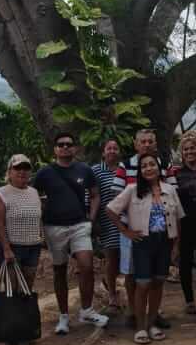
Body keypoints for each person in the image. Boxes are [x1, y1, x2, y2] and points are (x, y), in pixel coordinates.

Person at [33, 132, 108, 334]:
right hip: (53, 227)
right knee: (59, 270)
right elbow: (33, 196)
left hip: (79, 225)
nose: (65, 147)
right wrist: (40, 224)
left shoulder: (84, 170)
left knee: (86, 265)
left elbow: (95, 195)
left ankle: (87, 310)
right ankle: (64, 316)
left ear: (75, 148)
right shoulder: (44, 173)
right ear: (55, 149)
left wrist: (91, 219)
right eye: (61, 144)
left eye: (69, 144)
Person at [106, 155, 183, 343]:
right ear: (140, 171)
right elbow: (111, 209)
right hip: (143, 243)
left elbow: (178, 218)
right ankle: (140, 327)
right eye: (144, 166)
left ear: (159, 168)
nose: (149, 168)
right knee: (142, 284)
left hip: (164, 242)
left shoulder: (170, 189)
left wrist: (176, 246)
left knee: (158, 283)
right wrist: (126, 231)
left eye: (152, 165)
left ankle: (152, 324)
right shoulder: (132, 190)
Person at [120, 129, 170, 330]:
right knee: (133, 275)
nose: (147, 144)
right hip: (132, 230)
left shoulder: (165, 166)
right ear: (135, 144)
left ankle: (153, 314)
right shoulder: (126, 166)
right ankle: (133, 313)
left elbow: (171, 194)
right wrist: (126, 229)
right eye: (143, 141)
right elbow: (116, 200)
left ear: (155, 144)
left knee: (156, 277)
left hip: (159, 232)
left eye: (151, 141)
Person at [168, 132, 196, 315]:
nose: (189, 151)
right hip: (185, 222)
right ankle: (189, 301)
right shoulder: (177, 173)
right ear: (182, 153)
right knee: (184, 262)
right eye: (185, 149)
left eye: (192, 148)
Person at [0, 155, 43, 289]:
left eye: (26, 168)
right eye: (17, 168)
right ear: (9, 172)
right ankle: (12, 311)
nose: (22, 171)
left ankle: (25, 311)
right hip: (12, 247)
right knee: (12, 288)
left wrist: (41, 239)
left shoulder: (34, 192)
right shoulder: (1, 193)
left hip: (33, 247)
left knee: (27, 288)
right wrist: (6, 249)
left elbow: (37, 218)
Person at [91, 137, 126, 311]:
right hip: (105, 220)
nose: (112, 151)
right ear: (103, 152)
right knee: (111, 256)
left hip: (126, 219)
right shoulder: (96, 171)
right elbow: (90, 195)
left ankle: (109, 280)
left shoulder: (124, 169)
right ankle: (112, 293)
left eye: (115, 148)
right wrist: (93, 220)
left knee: (124, 257)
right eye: (109, 148)